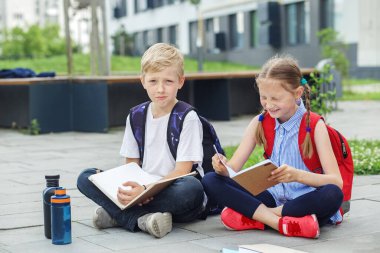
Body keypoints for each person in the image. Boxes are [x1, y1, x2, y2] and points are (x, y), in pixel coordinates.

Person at [202, 55, 344, 239]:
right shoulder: (260, 122)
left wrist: (297, 175)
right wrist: (222, 167)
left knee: (332, 194)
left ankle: (260, 216)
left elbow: (336, 181)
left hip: (305, 198)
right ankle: (282, 223)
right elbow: (232, 169)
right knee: (211, 180)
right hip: (271, 195)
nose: (268, 105)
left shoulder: (315, 125)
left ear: (297, 93)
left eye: (275, 98)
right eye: (263, 97)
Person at [77, 43, 205, 238]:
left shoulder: (187, 117)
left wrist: (144, 192)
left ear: (180, 81)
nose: (160, 89)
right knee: (85, 177)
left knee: (191, 190)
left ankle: (118, 214)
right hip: (141, 188)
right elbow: (131, 165)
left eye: (168, 81)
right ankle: (142, 219)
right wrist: (133, 189)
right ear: (143, 81)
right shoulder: (136, 116)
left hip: (172, 189)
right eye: (153, 81)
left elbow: (182, 171)